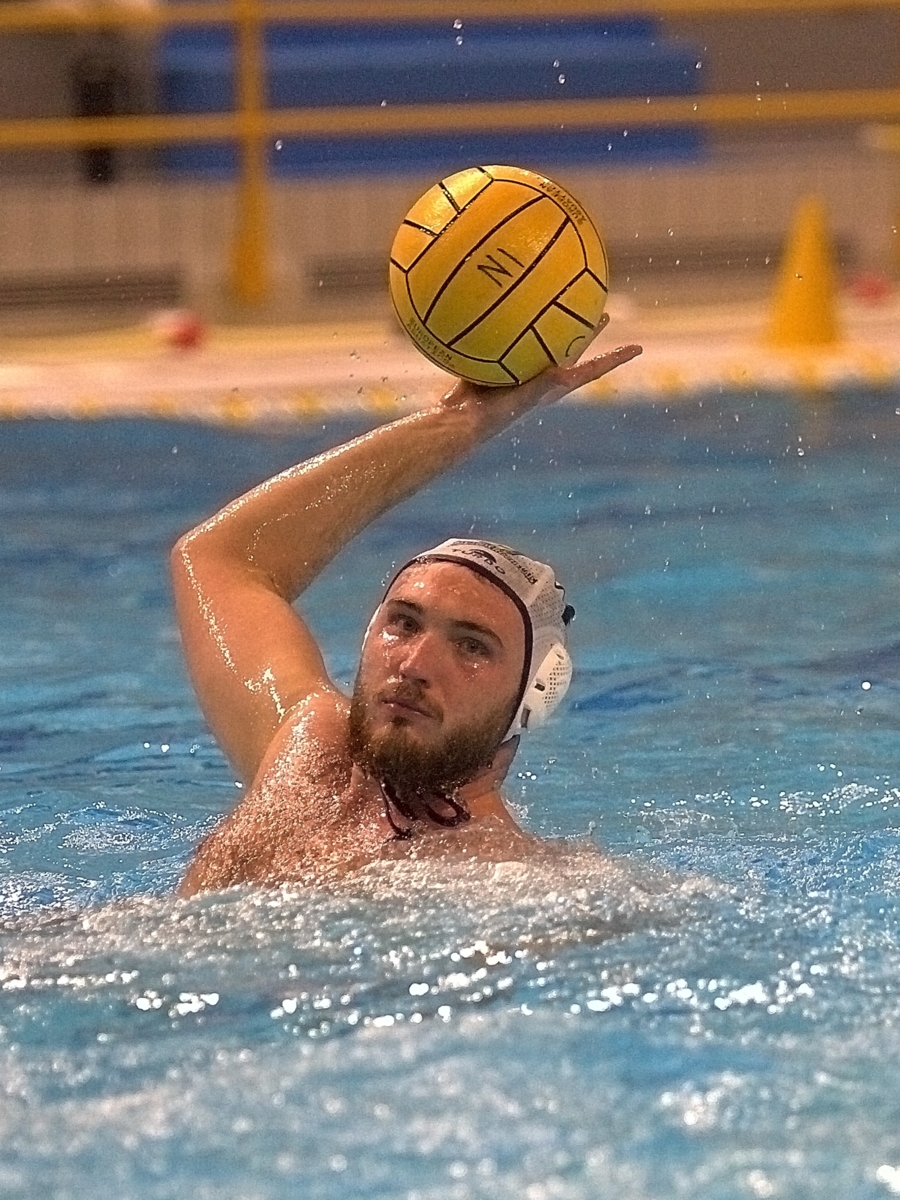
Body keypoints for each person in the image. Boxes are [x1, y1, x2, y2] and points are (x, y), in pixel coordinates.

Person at [175, 318, 641, 896]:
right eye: (404, 623)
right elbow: (219, 557)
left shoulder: (506, 884)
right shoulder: (306, 748)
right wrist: (458, 421)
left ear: (533, 696)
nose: (415, 664)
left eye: (472, 646)